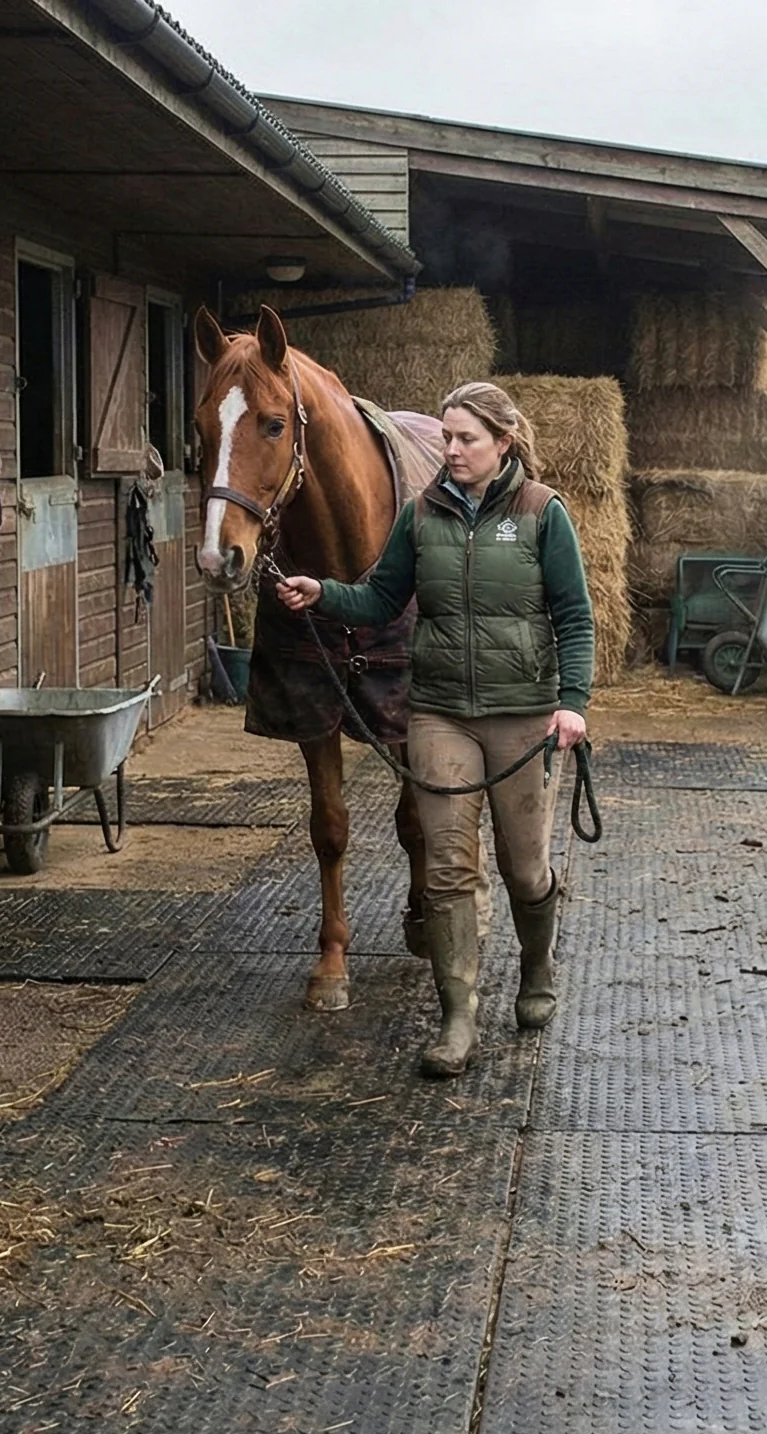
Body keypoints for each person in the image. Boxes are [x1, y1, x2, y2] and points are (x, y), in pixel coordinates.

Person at [277, 381, 593, 1078]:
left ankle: (536, 968)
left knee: (524, 868)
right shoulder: (420, 515)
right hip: (441, 714)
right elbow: (382, 598)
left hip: (522, 715)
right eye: (446, 437)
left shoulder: (542, 513)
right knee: (448, 870)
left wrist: (572, 702)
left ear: (502, 442)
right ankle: (458, 1017)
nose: (450, 449)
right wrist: (322, 593)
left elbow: (575, 615)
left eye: (466, 438)